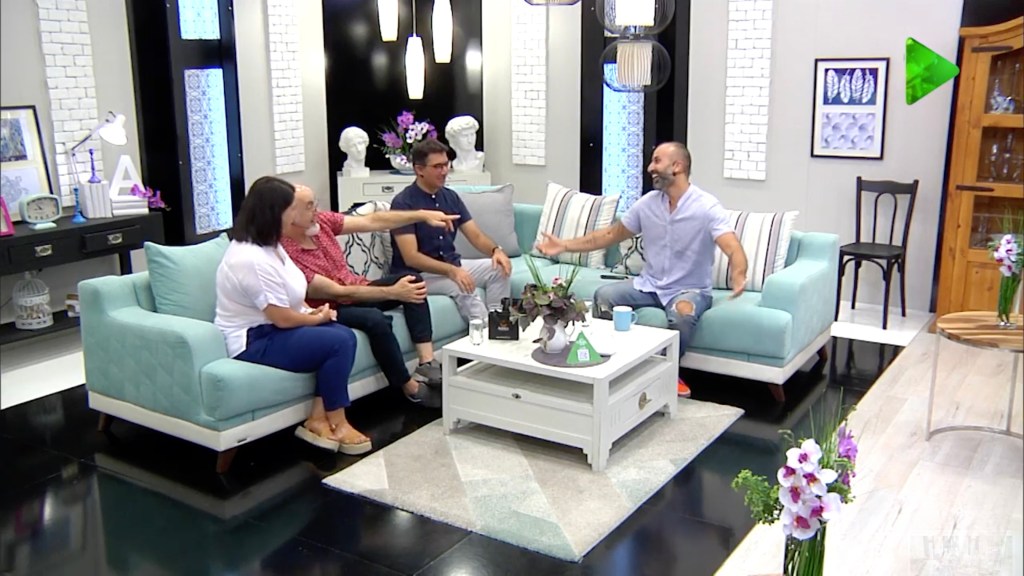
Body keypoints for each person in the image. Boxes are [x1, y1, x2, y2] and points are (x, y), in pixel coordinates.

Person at [535, 142, 748, 398]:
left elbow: (732, 246)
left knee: (682, 314)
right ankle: (612, 364)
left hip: (689, 290)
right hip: (649, 285)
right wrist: (564, 245)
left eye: (657, 161)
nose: (650, 168)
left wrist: (739, 274)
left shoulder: (706, 207)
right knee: (604, 296)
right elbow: (610, 235)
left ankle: (668, 373)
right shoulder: (647, 204)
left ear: (677, 166)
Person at [214, 176, 371, 455]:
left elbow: (291, 296)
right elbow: (282, 318)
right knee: (339, 341)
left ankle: (317, 418)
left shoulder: (272, 245)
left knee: (340, 334)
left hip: (274, 328)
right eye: (292, 209)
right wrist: (316, 319)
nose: (297, 215)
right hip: (253, 339)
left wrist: (310, 310)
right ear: (275, 213)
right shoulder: (250, 257)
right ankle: (338, 421)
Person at [281, 184, 460, 408]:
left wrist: (422, 215)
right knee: (374, 319)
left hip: (356, 289)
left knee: (412, 281)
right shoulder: (285, 253)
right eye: (309, 206)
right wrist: (392, 292)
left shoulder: (321, 223)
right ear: (290, 213)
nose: (316, 210)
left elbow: (373, 221)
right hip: (328, 307)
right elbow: (335, 292)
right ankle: (409, 387)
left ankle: (426, 363)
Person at [390, 139, 511, 322]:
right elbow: (411, 257)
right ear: (419, 169)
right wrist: (452, 271)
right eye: (437, 167)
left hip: (450, 265)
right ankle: (484, 332)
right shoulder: (403, 203)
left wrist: (496, 251)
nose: (444, 171)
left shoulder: (450, 197)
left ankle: (499, 324)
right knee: (463, 286)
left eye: (446, 165)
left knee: (498, 269)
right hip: (419, 274)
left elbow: (476, 236)